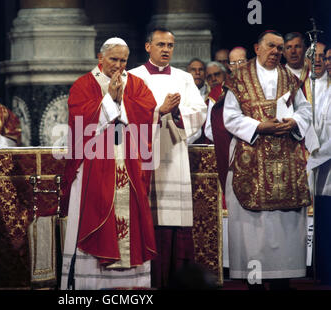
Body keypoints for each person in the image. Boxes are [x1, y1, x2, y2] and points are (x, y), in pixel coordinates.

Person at [59, 37, 157, 290]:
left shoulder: (136, 84)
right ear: (100, 58)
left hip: (128, 163)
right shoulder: (83, 84)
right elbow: (79, 118)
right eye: (113, 59)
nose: (118, 65)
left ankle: (131, 286)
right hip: (93, 164)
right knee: (95, 213)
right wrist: (109, 100)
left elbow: (147, 110)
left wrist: (120, 101)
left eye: (123, 60)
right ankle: (91, 285)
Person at [223, 30, 312, 290]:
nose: (276, 52)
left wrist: (294, 121)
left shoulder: (290, 78)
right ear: (257, 48)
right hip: (251, 156)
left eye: (280, 48)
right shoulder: (238, 78)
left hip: (286, 156)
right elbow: (230, 116)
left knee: (283, 224)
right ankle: (255, 281)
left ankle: (284, 276)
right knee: (254, 229)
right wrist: (259, 126)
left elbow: (305, 109)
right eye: (271, 47)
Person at [129, 27, 207, 289]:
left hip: (174, 153)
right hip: (142, 154)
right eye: (160, 44)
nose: (166, 50)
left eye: (170, 46)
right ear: (148, 46)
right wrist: (157, 111)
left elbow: (199, 111)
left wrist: (175, 114)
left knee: (172, 218)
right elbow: (125, 116)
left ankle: (175, 280)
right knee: (147, 216)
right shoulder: (133, 77)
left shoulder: (184, 78)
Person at [307, 86, 331, 285]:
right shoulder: (323, 92)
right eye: (326, 59)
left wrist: (314, 158)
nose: (328, 63)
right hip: (322, 170)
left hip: (322, 160)